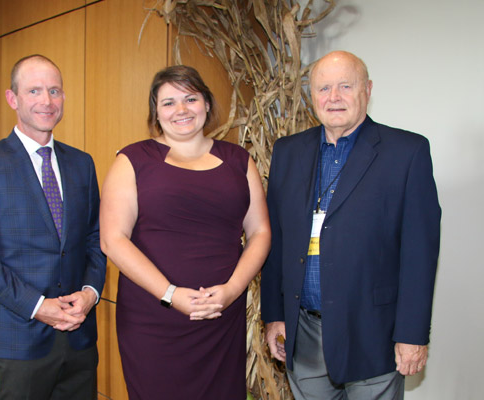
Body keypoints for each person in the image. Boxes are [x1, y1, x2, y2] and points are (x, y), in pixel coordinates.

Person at [261, 50, 441, 399]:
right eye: (323, 88)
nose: (334, 97)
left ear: (367, 90)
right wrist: (275, 315)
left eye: (346, 85)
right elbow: (276, 241)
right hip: (305, 331)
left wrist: (412, 333)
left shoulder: (407, 151)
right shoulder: (288, 152)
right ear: (311, 96)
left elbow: (420, 252)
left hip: (373, 332)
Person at [99, 65, 271, 400]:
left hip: (222, 315)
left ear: (206, 104)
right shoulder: (133, 160)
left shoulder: (238, 160)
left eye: (190, 98)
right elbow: (113, 239)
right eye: (168, 102)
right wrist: (170, 293)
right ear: (156, 112)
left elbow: (260, 231)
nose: (181, 110)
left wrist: (233, 291)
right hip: (154, 317)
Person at [0, 54, 106, 400]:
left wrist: (90, 293)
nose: (46, 101)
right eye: (34, 90)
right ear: (14, 99)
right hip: (20, 333)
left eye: (54, 91)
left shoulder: (82, 163)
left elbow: (94, 239)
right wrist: (39, 306)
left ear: (64, 98)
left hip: (79, 333)